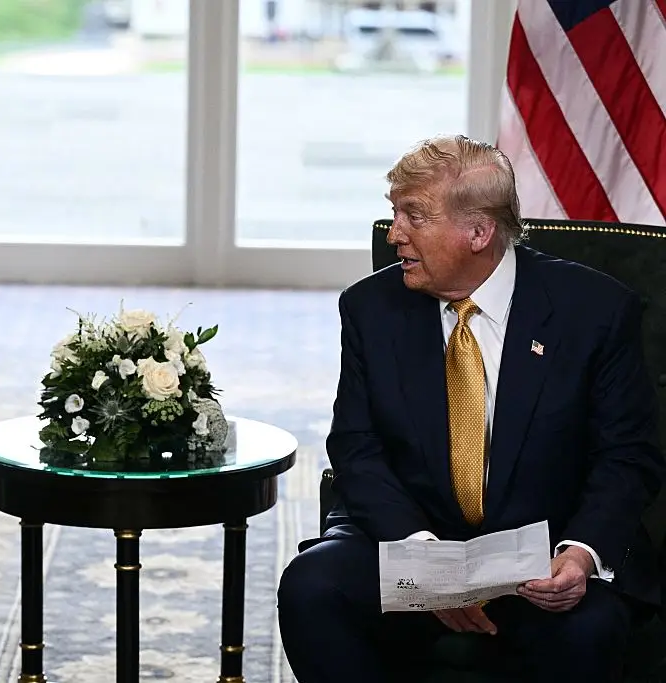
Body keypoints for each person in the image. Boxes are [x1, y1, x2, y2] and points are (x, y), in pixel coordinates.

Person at [277, 134, 664, 682]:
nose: (395, 235)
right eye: (394, 214)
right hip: (412, 538)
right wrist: (426, 564)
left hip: (543, 557)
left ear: (478, 232)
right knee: (311, 588)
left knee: (591, 629)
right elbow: (356, 448)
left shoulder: (595, 311)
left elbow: (627, 456)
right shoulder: (371, 308)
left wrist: (580, 554)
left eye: (414, 216)